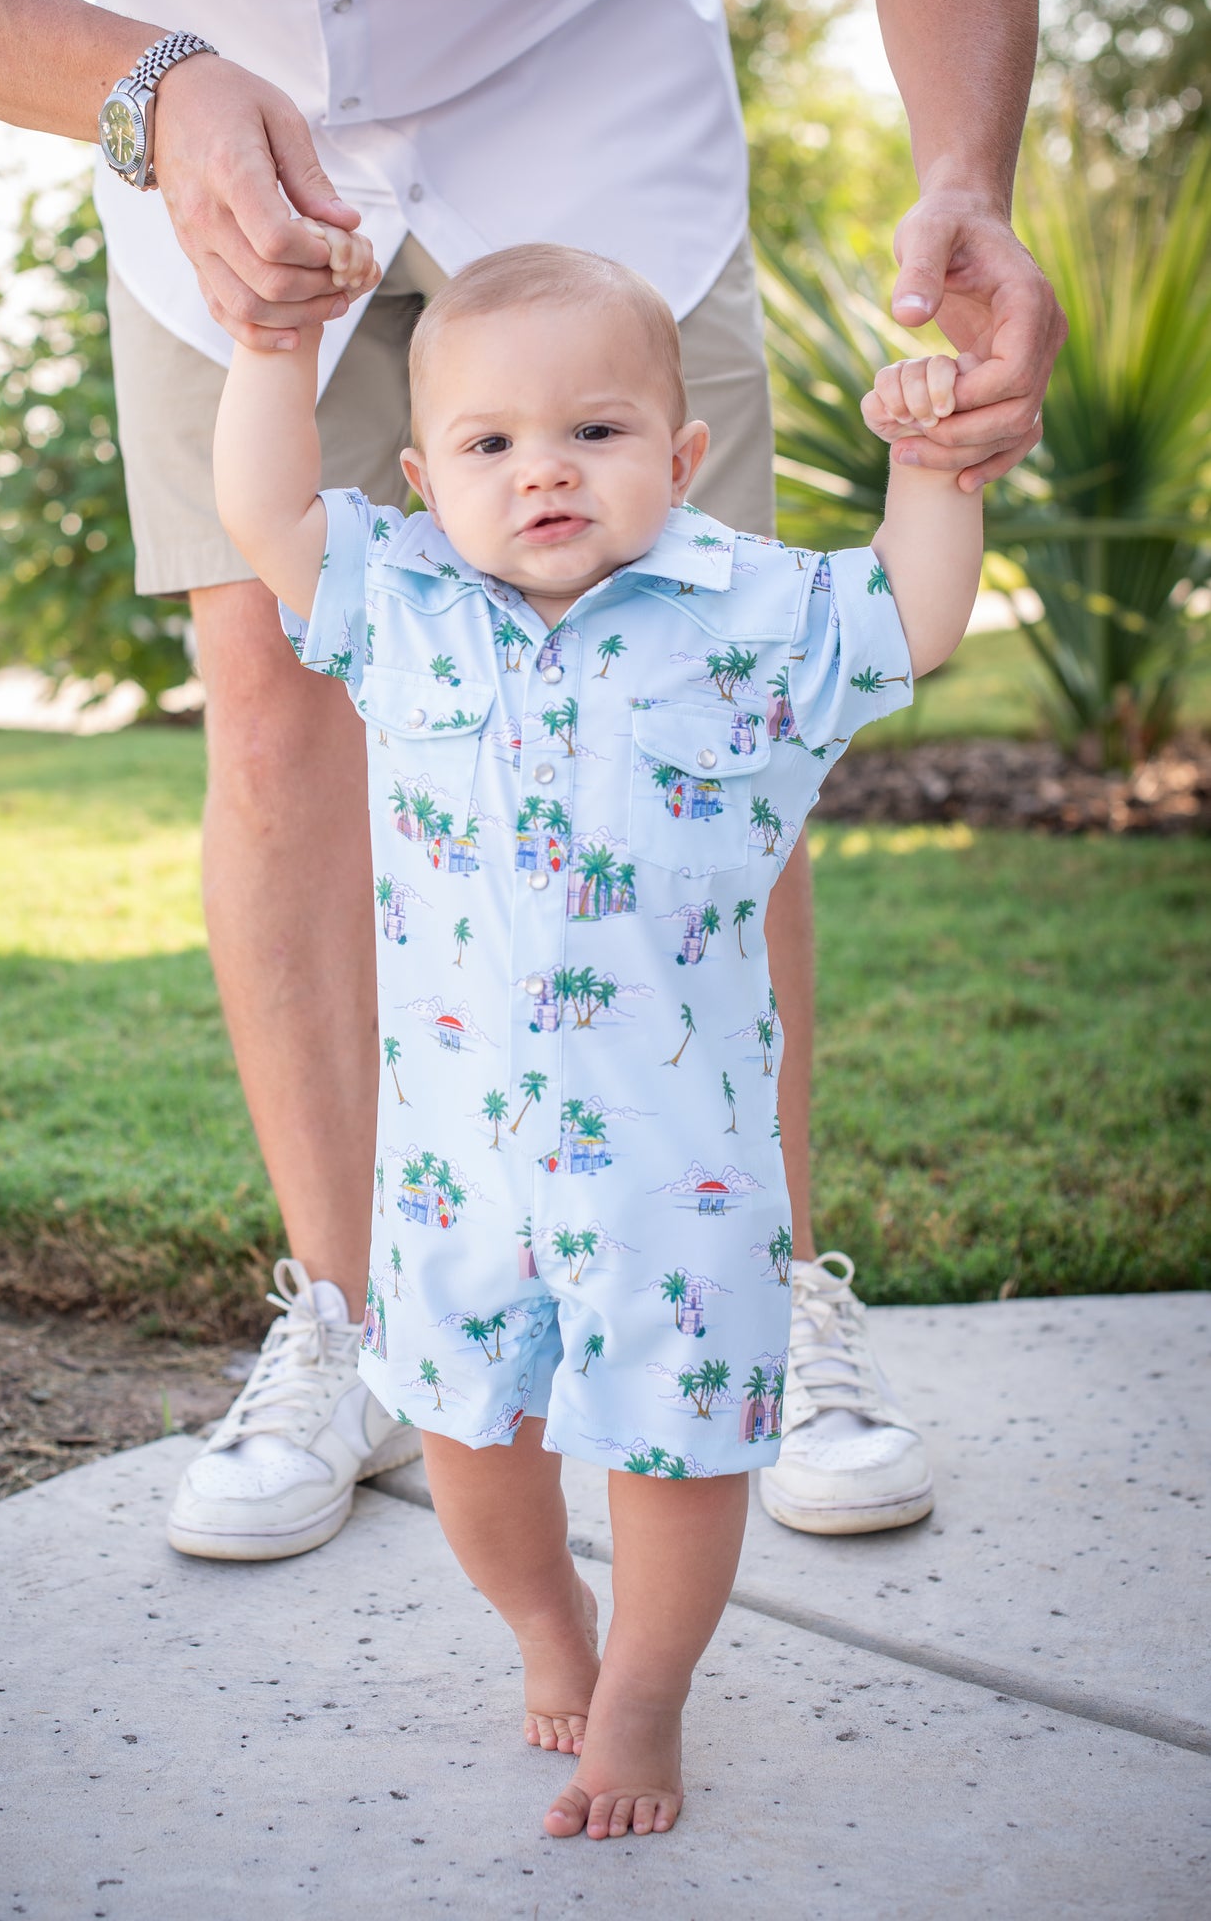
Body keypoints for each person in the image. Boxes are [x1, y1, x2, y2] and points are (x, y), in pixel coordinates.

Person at [0, 0, 1064, 1560]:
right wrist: (141, 88)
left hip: (593, 130)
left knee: (700, 704)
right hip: (212, 167)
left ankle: (751, 1294)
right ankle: (357, 1325)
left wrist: (965, 174)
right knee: (271, 705)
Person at [211, 228, 984, 1837]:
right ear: (425, 478)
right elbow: (263, 513)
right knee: (471, 1444)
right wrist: (275, 353)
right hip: (457, 1173)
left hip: (676, 1166)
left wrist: (933, 466)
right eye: (491, 445)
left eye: (595, 431)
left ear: (682, 454)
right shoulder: (400, 605)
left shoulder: (747, 612)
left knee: (678, 1448)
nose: (542, 473)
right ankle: (543, 1626)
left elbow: (908, 622)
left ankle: (643, 1695)